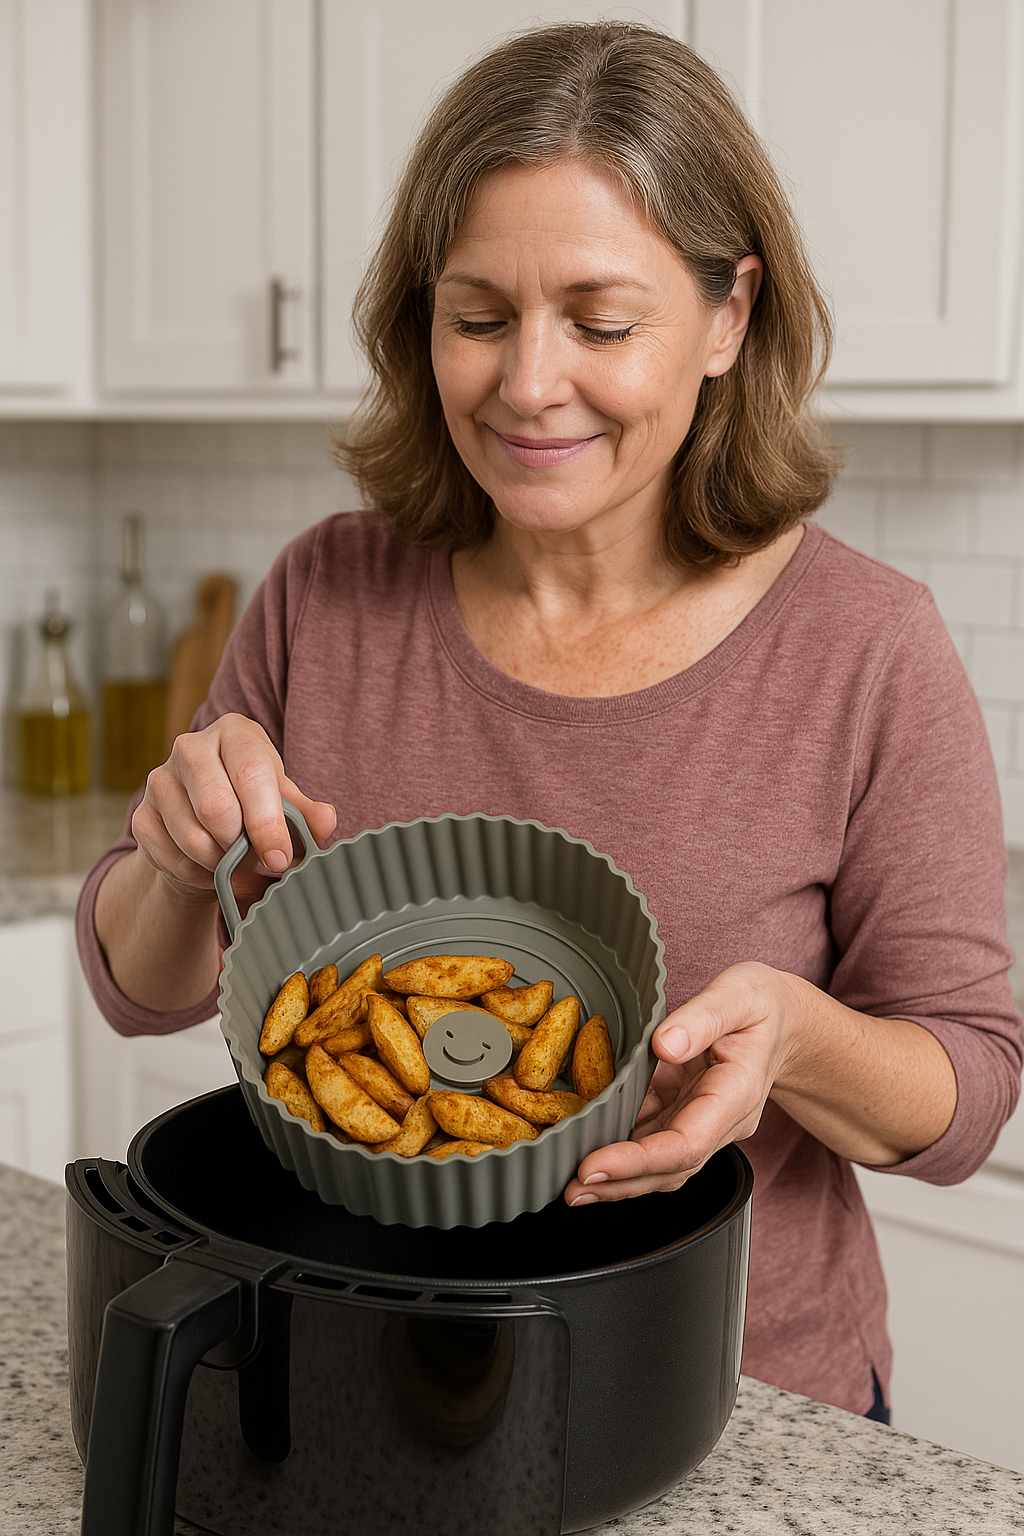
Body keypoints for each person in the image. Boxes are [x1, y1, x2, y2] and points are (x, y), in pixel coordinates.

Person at [77, 22, 1022, 1422]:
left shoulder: (865, 647)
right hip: (373, 1380)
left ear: (728, 317)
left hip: (737, 1403)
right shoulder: (328, 591)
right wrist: (169, 858)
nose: (527, 382)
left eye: (601, 319)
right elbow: (143, 986)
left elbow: (971, 1093)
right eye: (477, 316)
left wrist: (800, 1040)